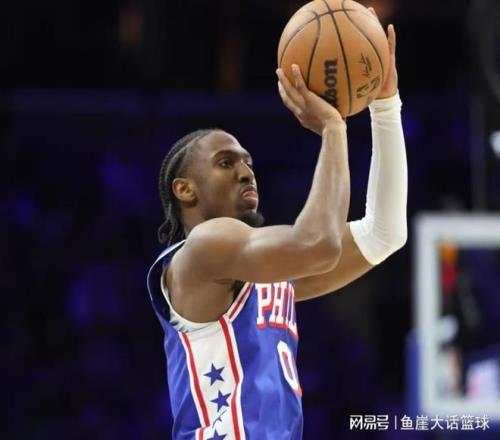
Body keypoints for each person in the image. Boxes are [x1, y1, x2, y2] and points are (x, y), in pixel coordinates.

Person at [147, 19, 407, 440]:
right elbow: (318, 244)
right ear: (185, 189)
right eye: (226, 162)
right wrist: (333, 128)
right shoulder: (202, 248)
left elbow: (385, 234)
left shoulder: (260, 278)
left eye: (248, 162)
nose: (245, 171)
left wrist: (386, 103)